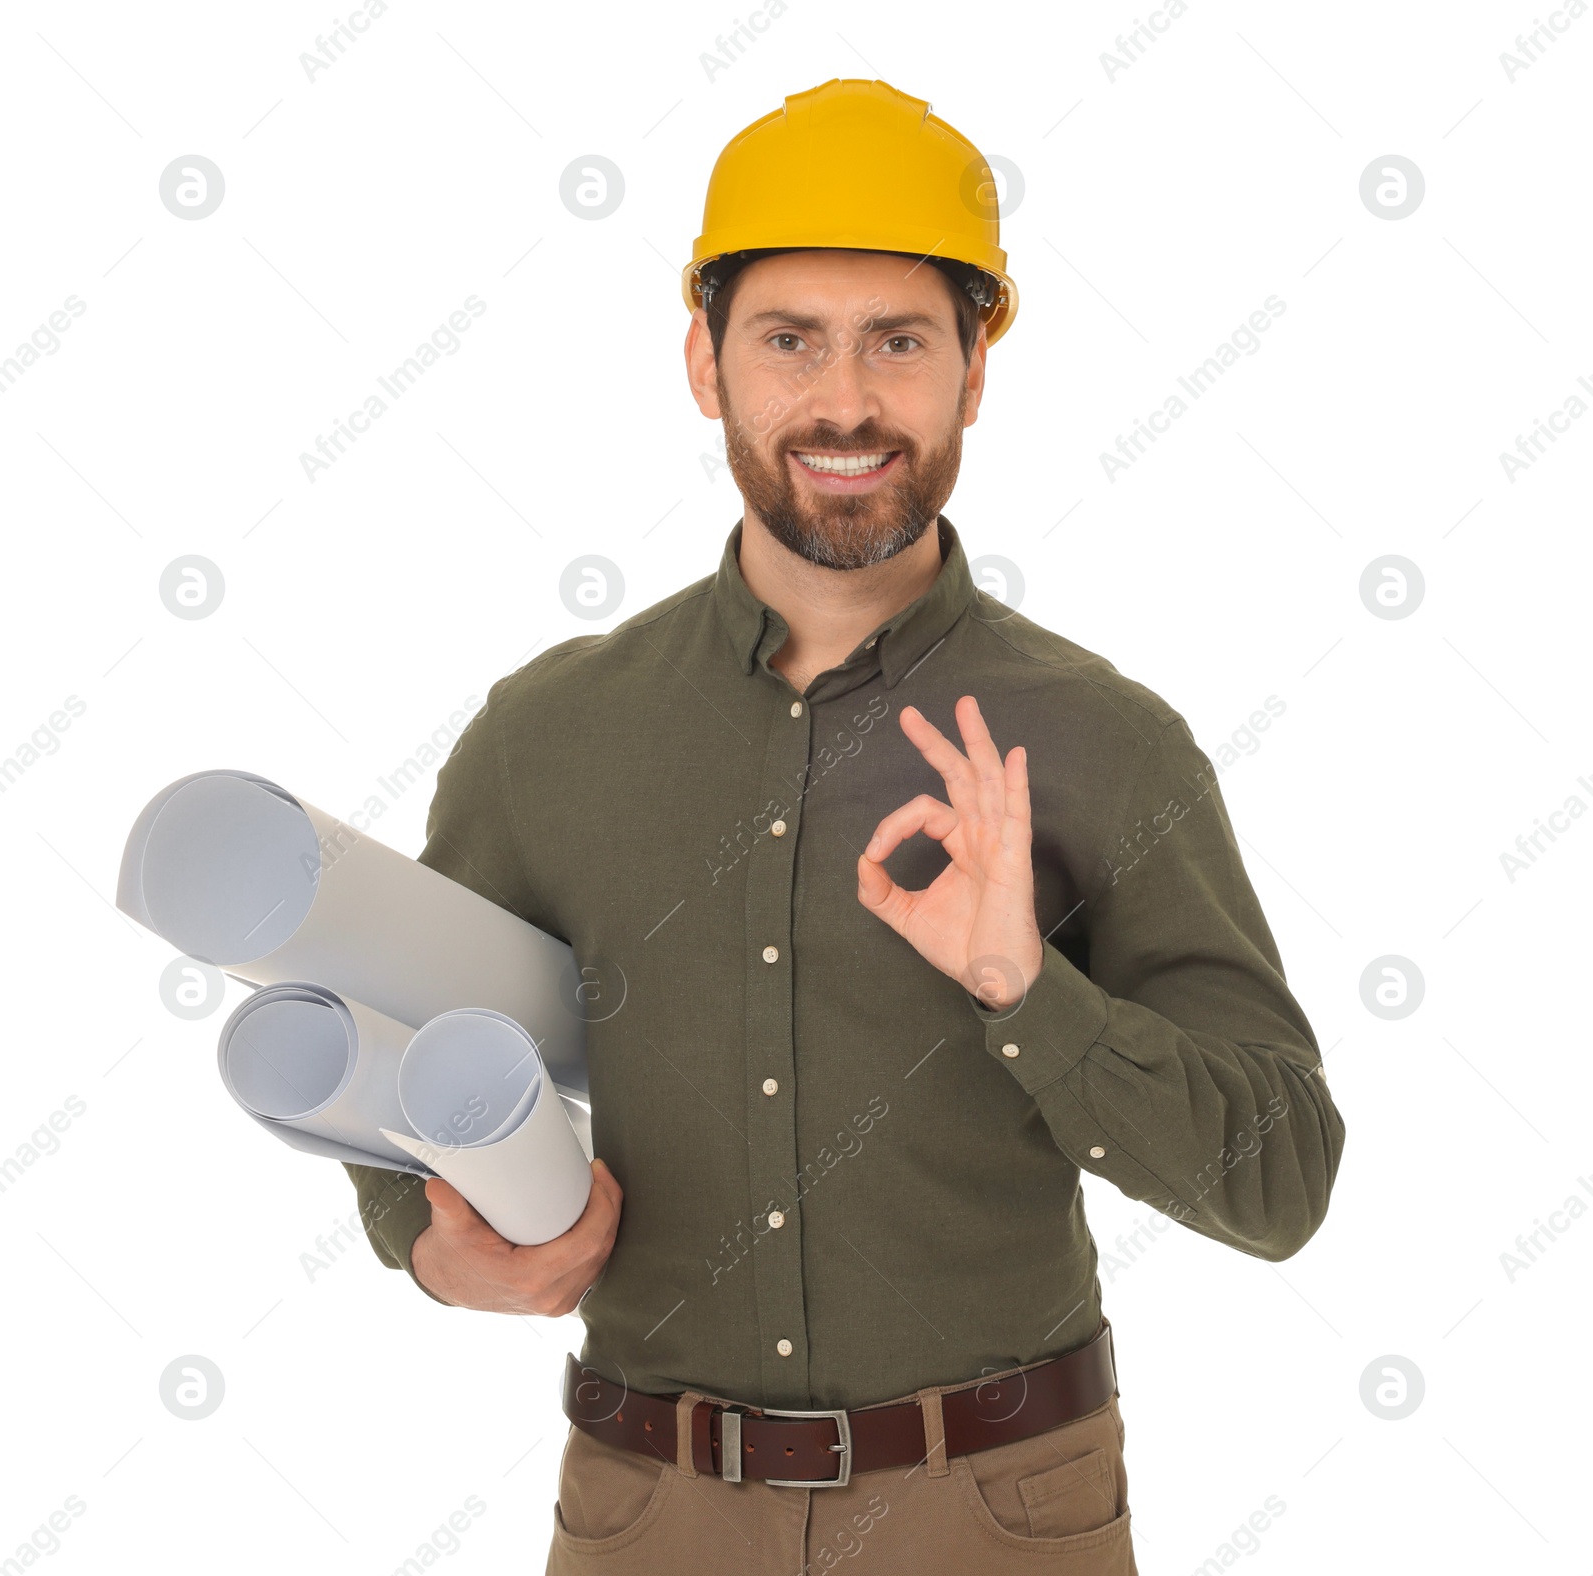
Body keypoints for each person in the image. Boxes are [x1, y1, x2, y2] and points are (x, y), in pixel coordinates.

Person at [343, 77, 1346, 1575]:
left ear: (974, 369)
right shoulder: (547, 737)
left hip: (1000, 1515)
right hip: (646, 1512)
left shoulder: (1105, 743)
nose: (847, 402)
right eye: (789, 338)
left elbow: (1279, 1186)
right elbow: (396, 1057)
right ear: (704, 361)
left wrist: (1027, 987)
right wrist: (427, 1245)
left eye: (900, 342)